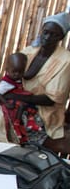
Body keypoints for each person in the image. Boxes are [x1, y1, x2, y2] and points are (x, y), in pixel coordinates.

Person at [9, 12, 70, 144]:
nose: (48, 37)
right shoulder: (29, 52)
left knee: (15, 120)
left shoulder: (66, 61)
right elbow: (11, 77)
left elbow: (51, 100)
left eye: (54, 35)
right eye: (46, 32)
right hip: (18, 101)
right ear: (41, 31)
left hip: (44, 111)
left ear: (61, 37)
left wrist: (18, 97)